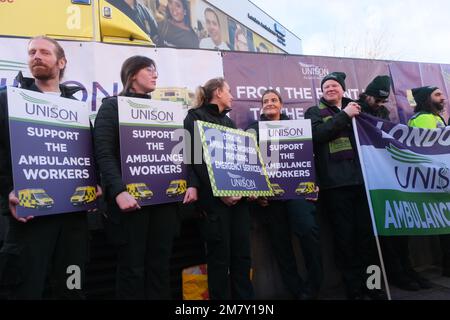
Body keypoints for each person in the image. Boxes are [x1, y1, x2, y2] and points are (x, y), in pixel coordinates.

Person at [0, 36, 91, 299]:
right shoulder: (9, 100)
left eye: (44, 52)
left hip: (73, 222)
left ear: (61, 62)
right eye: (31, 52)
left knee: (72, 288)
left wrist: (95, 182)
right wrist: (8, 191)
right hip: (29, 220)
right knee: (26, 289)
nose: (36, 56)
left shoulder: (77, 108)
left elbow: (87, 153)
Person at [94, 56, 179, 299]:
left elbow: (184, 150)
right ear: (132, 75)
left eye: (156, 71)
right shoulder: (112, 107)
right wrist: (119, 191)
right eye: (149, 70)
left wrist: (191, 184)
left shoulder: (165, 111)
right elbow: (103, 151)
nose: (155, 75)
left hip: (164, 204)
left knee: (160, 268)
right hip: (130, 204)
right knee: (132, 269)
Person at [305, 72, 386, 300]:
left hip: (363, 182)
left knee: (368, 239)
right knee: (345, 240)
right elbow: (317, 134)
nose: (330, 88)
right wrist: (344, 115)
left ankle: (374, 285)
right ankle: (355, 289)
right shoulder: (314, 112)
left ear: (342, 89)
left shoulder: (358, 108)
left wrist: (354, 111)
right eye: (326, 86)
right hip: (335, 186)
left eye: (334, 85)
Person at [247, 89, 323, 299]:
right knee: (281, 247)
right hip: (270, 200)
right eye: (265, 101)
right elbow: (249, 164)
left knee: (308, 233)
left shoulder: (297, 127)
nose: (269, 103)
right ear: (261, 107)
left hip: (298, 194)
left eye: (273, 100)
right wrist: (256, 193)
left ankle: (315, 285)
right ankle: (297, 291)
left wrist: (314, 184)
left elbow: (309, 158)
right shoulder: (253, 130)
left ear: (281, 105)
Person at [183, 78, 254, 300]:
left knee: (242, 256)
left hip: (238, 201)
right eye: (229, 91)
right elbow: (194, 158)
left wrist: (247, 187)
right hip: (214, 201)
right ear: (218, 92)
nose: (232, 96)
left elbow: (239, 161)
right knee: (219, 258)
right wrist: (221, 192)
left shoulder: (229, 123)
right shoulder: (193, 117)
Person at [408, 86, 450, 278]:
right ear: (427, 99)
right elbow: (433, 150)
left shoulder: (434, 117)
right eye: (437, 95)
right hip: (438, 178)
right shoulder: (424, 118)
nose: (443, 98)